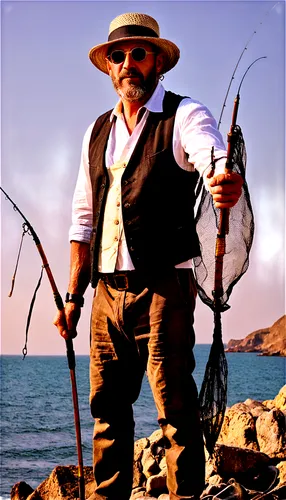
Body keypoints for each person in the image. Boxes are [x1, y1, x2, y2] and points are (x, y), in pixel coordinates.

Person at [54, 12, 243, 500]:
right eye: (119, 56)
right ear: (109, 67)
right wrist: (74, 296)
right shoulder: (96, 131)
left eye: (139, 53)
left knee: (177, 412)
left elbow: (210, 152)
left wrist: (222, 174)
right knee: (107, 412)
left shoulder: (183, 115)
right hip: (105, 296)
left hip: (164, 290)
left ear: (158, 61)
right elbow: (83, 221)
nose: (128, 64)